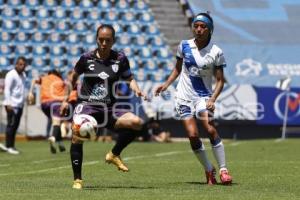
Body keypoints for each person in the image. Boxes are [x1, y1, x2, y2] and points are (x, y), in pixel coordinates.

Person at [61, 24, 147, 189]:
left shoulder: (120, 59)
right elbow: (72, 78)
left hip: (109, 109)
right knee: (77, 133)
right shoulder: (86, 58)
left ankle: (114, 154)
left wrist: (135, 87)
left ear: (113, 40)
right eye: (101, 39)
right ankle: (77, 179)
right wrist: (66, 99)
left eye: (108, 40)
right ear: (96, 39)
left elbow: (129, 78)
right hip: (87, 106)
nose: (104, 43)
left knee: (137, 123)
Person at [154, 12, 232, 185]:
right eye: (196, 26)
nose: (198, 29)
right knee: (192, 134)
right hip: (183, 97)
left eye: (202, 26)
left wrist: (212, 99)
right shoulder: (184, 46)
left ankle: (223, 170)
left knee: (209, 129)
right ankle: (208, 169)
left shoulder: (216, 52)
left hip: (203, 97)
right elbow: (177, 69)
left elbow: (220, 81)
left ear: (209, 30)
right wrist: (166, 85)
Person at [28, 69, 66, 154]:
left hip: (44, 104)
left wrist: (30, 92)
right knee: (57, 123)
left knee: (56, 123)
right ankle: (53, 138)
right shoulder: (60, 81)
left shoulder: (44, 78)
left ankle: (61, 144)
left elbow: (34, 80)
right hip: (56, 102)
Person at [0, 57, 27, 155]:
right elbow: (7, 90)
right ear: (16, 64)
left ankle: (12, 145)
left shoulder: (23, 75)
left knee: (15, 126)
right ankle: (8, 146)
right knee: (11, 125)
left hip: (20, 104)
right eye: (20, 64)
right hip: (11, 104)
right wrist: (8, 103)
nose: (22, 66)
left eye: (24, 65)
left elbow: (22, 89)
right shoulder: (11, 74)